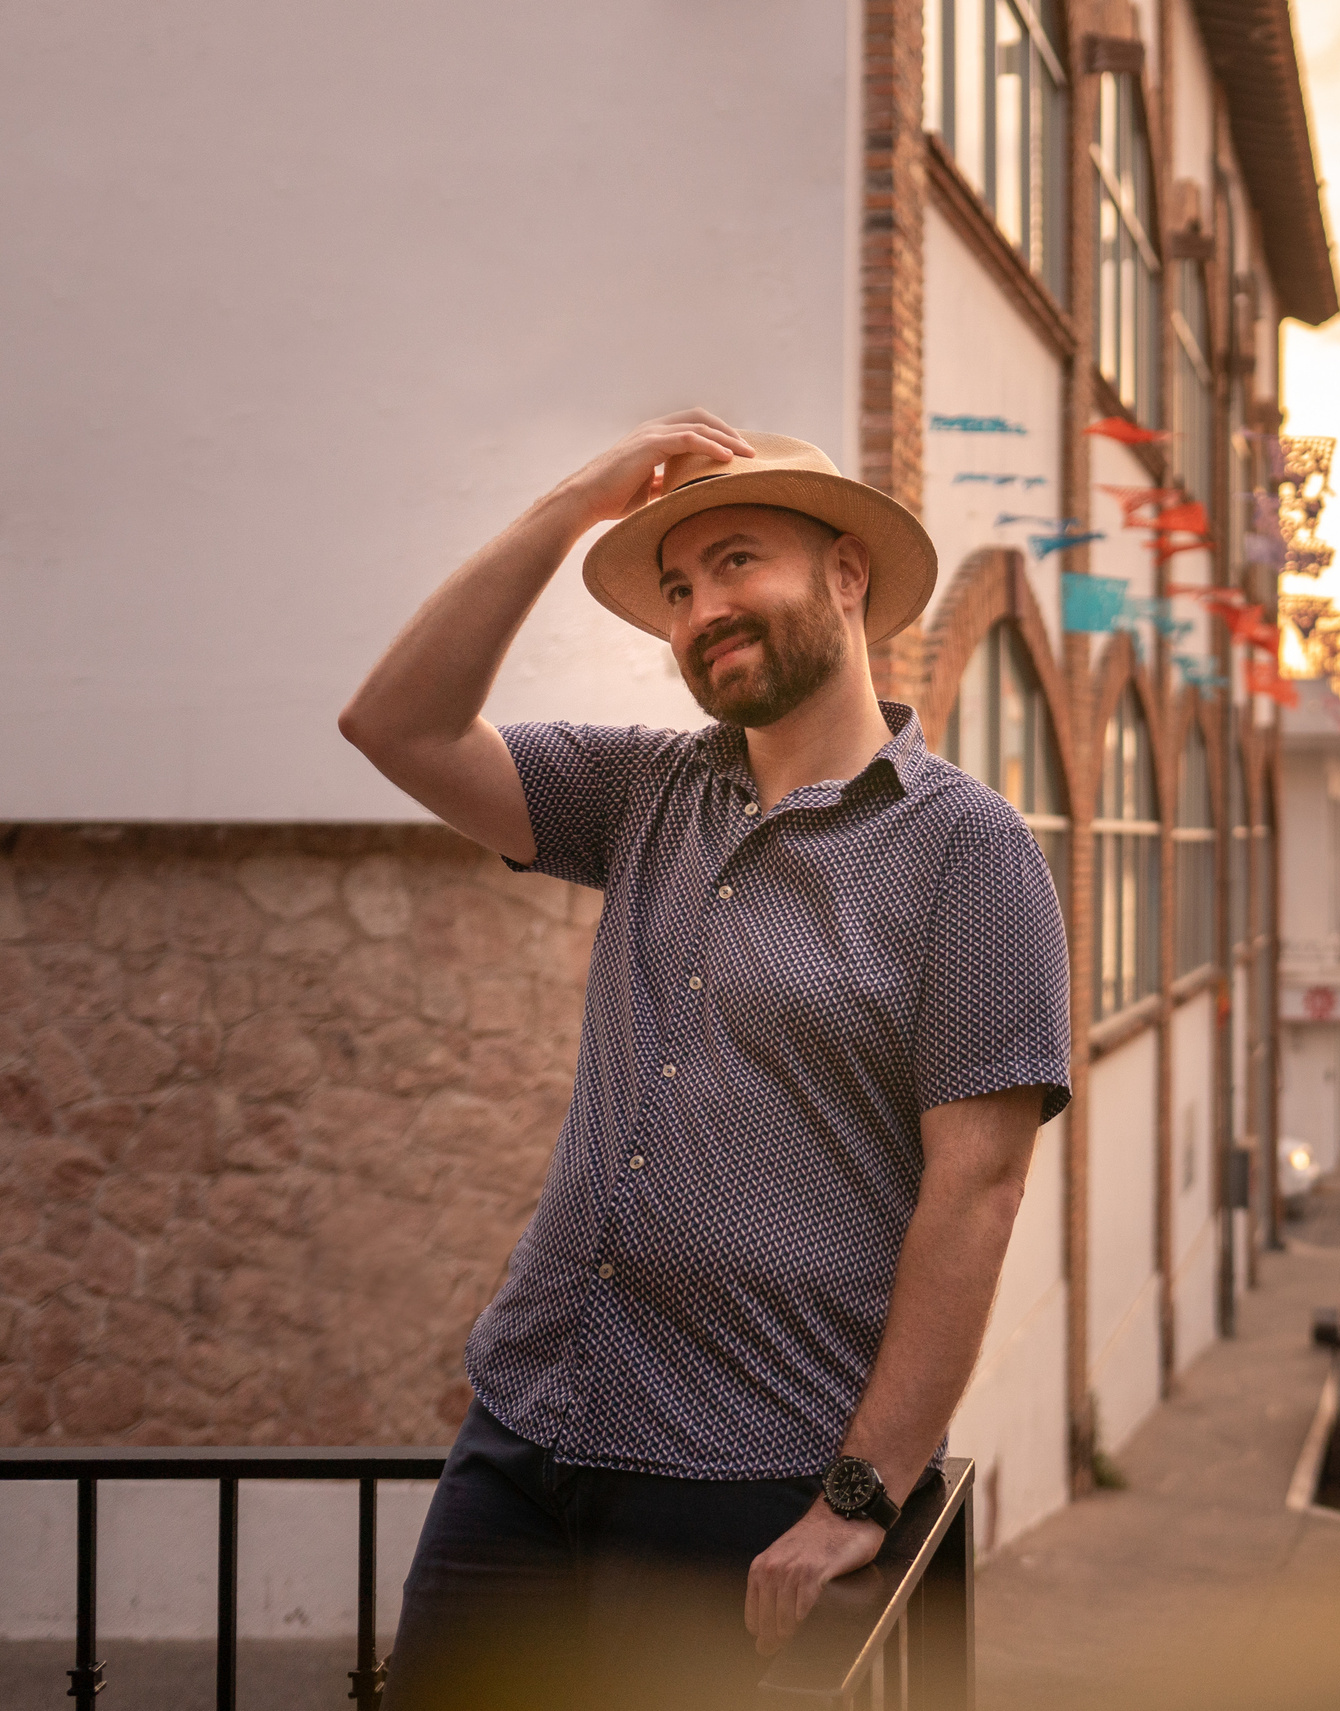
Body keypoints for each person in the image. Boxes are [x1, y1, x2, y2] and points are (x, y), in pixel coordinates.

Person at [339, 412, 1072, 1711]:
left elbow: (978, 1190)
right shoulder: (645, 794)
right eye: (678, 588)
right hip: (522, 1437)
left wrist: (861, 1493)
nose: (702, 610)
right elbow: (396, 724)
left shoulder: (969, 851)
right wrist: (572, 502)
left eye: (738, 562)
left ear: (847, 572)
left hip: (734, 1485)